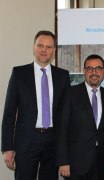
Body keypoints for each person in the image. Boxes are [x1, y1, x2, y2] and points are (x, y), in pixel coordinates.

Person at [1, 30, 70, 180]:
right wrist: (7, 147)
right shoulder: (19, 74)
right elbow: (9, 113)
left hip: (53, 140)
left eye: (49, 46)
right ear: (34, 47)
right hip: (27, 141)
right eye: (40, 45)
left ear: (54, 50)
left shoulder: (63, 76)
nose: (44, 50)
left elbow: (65, 114)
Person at [56, 54, 104, 180]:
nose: (94, 72)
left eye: (98, 68)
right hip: (74, 163)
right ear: (84, 71)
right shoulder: (70, 94)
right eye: (89, 69)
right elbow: (61, 129)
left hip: (100, 162)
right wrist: (63, 161)